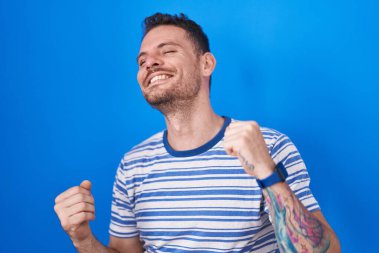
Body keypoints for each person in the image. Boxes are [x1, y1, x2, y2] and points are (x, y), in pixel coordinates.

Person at [54, 13, 341, 253]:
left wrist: (267, 172)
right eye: (142, 61)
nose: (150, 63)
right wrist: (82, 239)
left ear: (206, 64)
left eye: (167, 51)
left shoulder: (269, 145)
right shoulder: (133, 164)